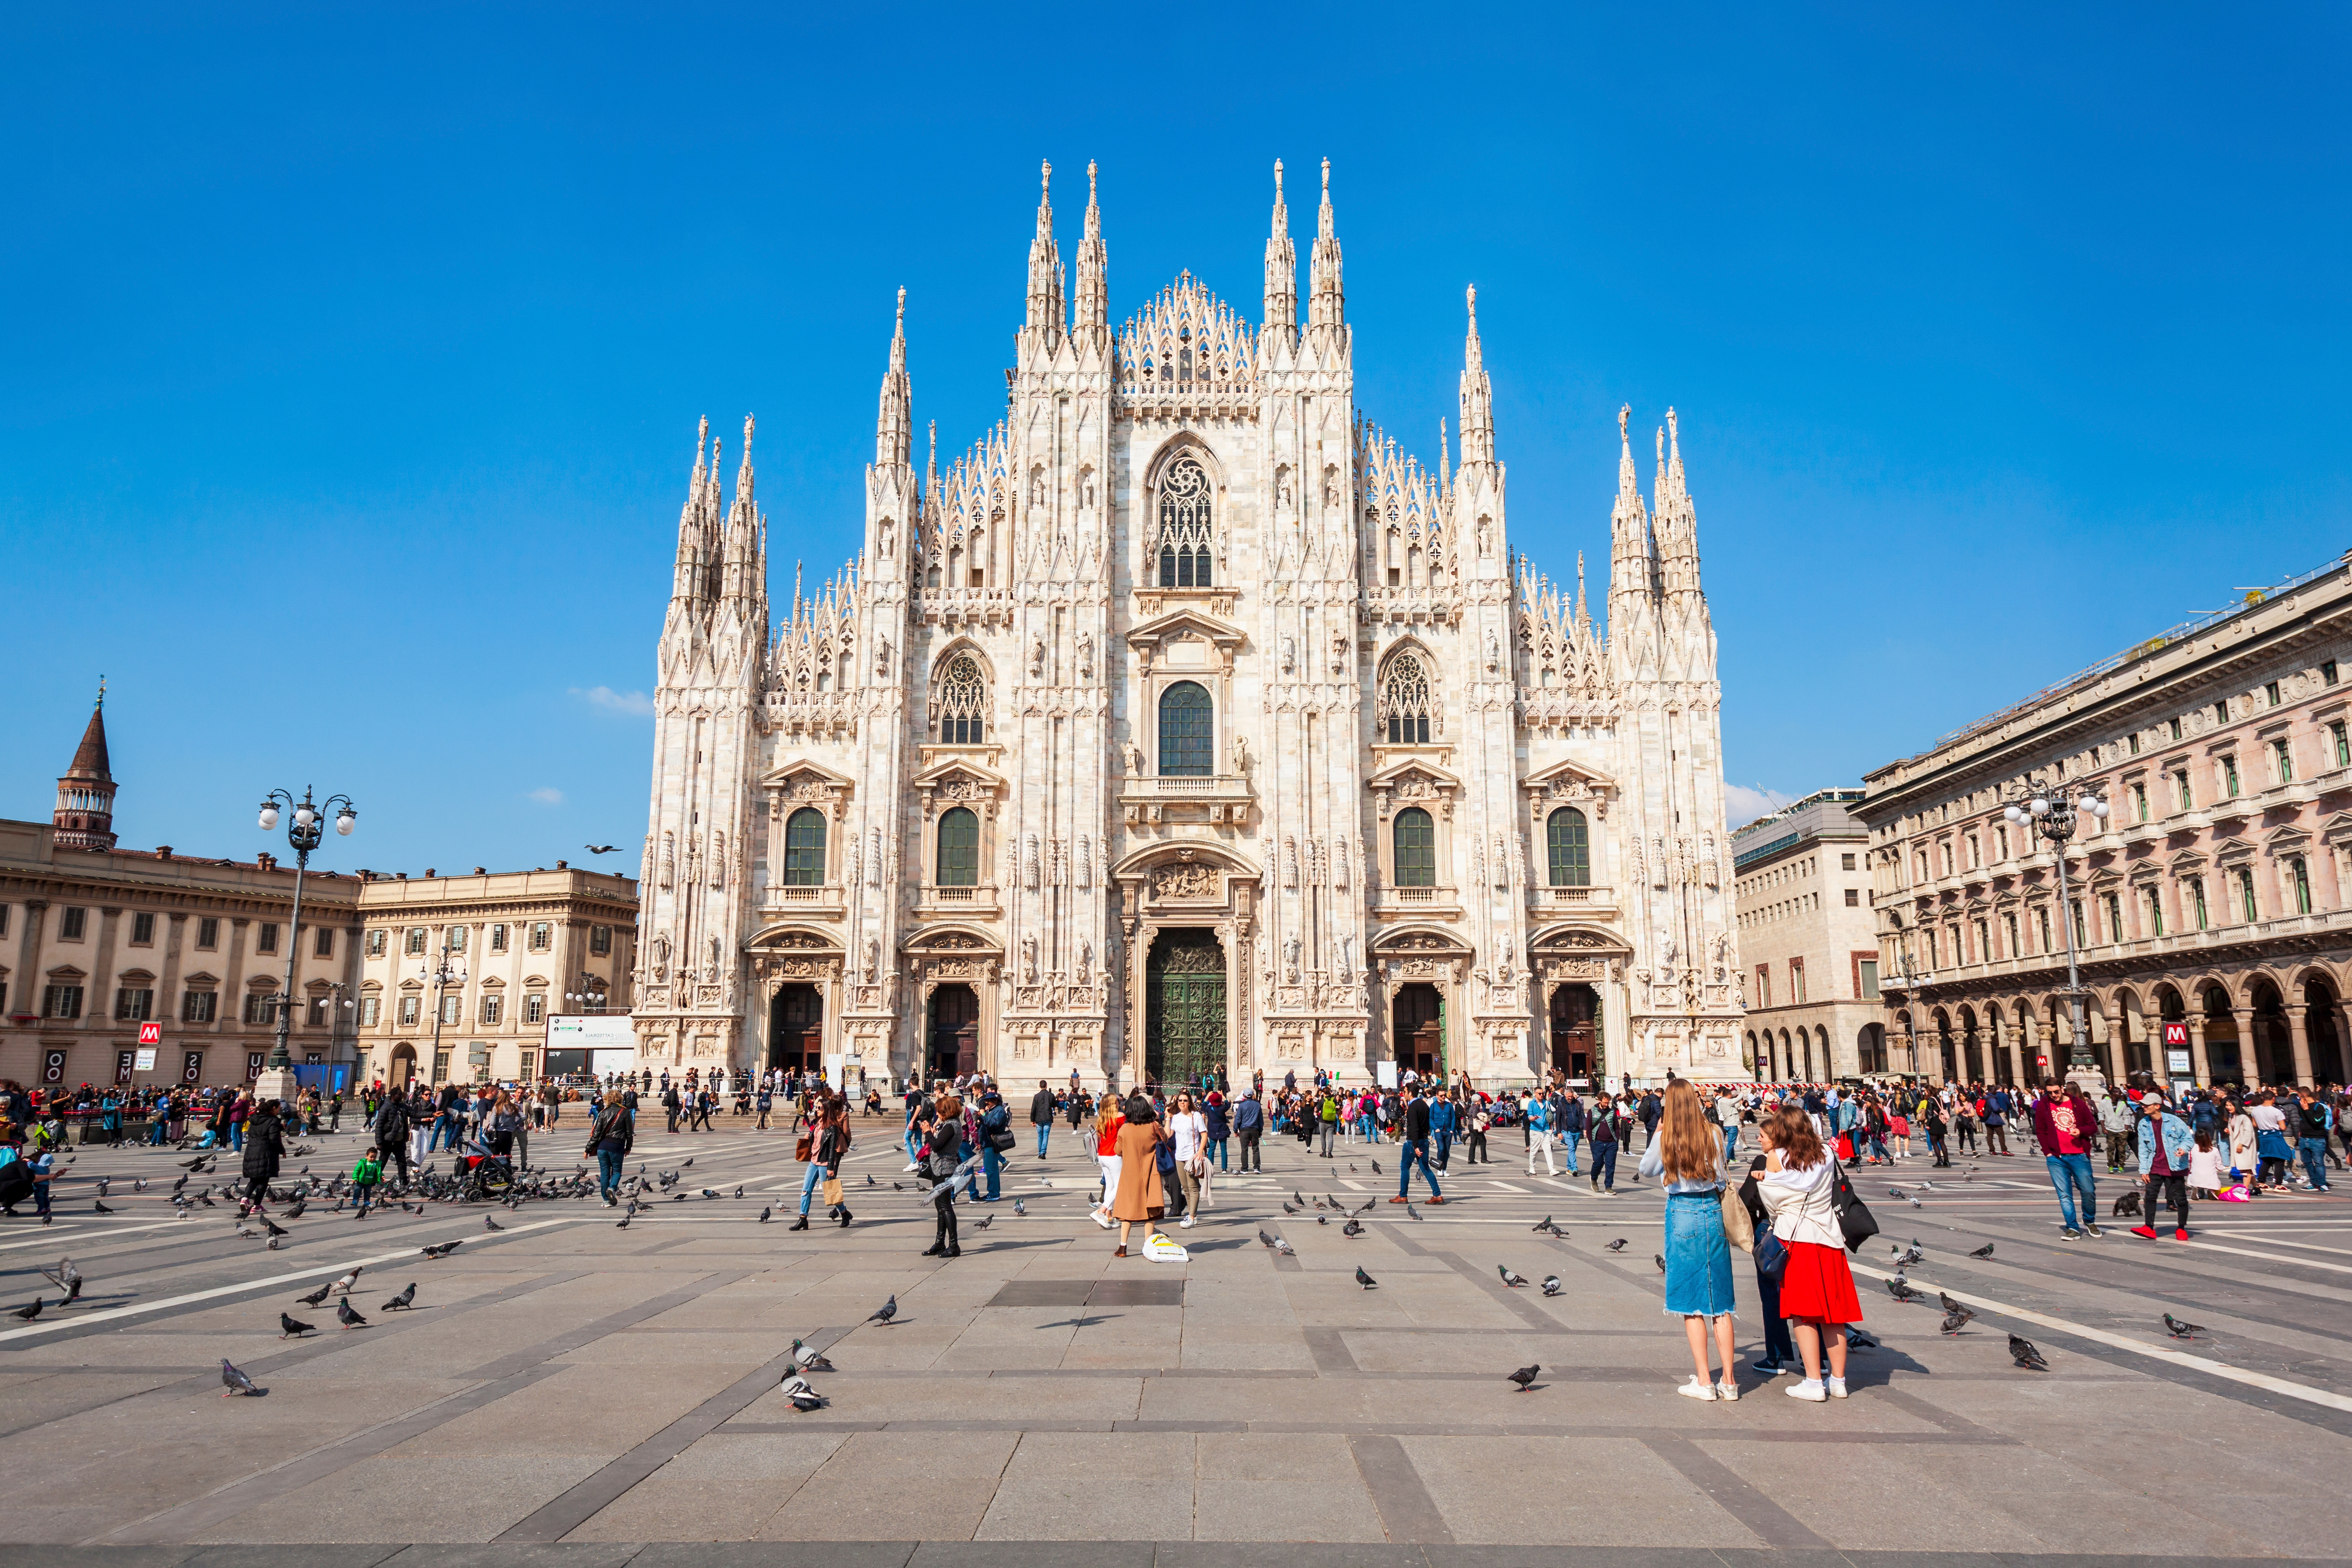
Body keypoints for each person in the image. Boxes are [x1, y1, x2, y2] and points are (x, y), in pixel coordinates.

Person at [1756, 1103, 1862, 1402]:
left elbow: (1774, 1205)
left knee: (1803, 1314)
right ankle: (1839, 1381)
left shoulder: (1776, 1157)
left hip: (1796, 1240)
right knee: (1833, 1315)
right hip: (1828, 1238)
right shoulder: (1828, 1153)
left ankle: (1814, 1382)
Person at [1644, 1081, 1740, 1401]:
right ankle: (1729, 1381)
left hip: (1682, 1212)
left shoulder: (1666, 1136)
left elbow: (1646, 1169)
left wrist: (1658, 1135)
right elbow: (1723, 1175)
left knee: (1692, 1302)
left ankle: (1704, 1381)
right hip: (1712, 1209)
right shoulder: (1714, 1132)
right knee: (1720, 1301)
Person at [1735, 1135, 1798, 1377]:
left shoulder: (1765, 1160)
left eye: (1763, 1135)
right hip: (1808, 1232)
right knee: (1806, 1294)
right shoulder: (1814, 1158)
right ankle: (1820, 1357)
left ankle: (1776, 1356)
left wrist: (1750, 1237)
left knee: (1772, 1295)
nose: (1759, 1139)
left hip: (1772, 1232)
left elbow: (1747, 1200)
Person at [2032, 1080, 2104, 1239]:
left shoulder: (2078, 1104)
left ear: (2062, 1089)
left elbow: (2093, 1127)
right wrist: (2047, 1152)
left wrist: (2080, 1131)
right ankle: (2072, 1227)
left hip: (2079, 1155)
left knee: (2088, 1191)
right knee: (2064, 1195)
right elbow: (2041, 1131)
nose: (2054, 1095)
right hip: (2056, 1158)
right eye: (2050, 1093)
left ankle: (2089, 1221)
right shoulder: (2043, 1105)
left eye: (2056, 1092)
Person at [2130, 1090, 2196, 1240]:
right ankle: (2148, 1227)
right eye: (2143, 1105)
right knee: (2150, 1196)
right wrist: (2144, 1169)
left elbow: (2188, 1139)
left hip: (2175, 1166)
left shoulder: (2174, 1121)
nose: (2144, 1107)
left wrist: (2183, 1149)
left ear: (2157, 1106)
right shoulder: (2144, 1124)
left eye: (2147, 1105)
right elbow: (2143, 1148)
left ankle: (2181, 1228)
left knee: (2180, 1199)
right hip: (2155, 1166)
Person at [1109, 1096, 1169, 1258]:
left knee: (1128, 1211)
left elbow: (1118, 1151)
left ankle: (1123, 1247)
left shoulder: (1125, 1129)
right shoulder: (1154, 1126)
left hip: (1130, 1174)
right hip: (1151, 1172)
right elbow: (1166, 1139)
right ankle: (1147, 1245)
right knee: (1151, 1211)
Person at [922, 1094, 966, 1259]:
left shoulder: (950, 1126)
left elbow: (937, 1146)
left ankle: (954, 1245)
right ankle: (940, 1243)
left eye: (939, 1112)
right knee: (940, 1207)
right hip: (941, 1169)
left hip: (944, 1170)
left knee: (946, 1207)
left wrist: (928, 1133)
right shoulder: (951, 1125)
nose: (937, 1115)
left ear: (946, 1111)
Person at [1390, 1084, 1447, 1205]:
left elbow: (1415, 1128)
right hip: (1424, 1140)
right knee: (1425, 1168)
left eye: (1405, 1092)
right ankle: (1438, 1195)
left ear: (1410, 1093)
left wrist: (1415, 1146)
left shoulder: (1413, 1107)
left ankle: (1403, 1196)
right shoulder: (1424, 1105)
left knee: (1405, 1167)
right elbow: (1427, 1124)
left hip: (1413, 1142)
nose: (1404, 1094)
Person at [1169, 1089, 1208, 1227]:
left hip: (1192, 1156)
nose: (1182, 1103)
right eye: (1180, 1101)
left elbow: (1204, 1135)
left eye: (1185, 1101)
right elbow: (1168, 1135)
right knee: (1185, 1188)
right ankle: (1193, 1215)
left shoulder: (1196, 1116)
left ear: (1189, 1102)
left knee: (1193, 1187)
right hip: (1179, 1156)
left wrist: (1200, 1152)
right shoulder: (1176, 1118)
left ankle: (1191, 1216)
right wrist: (1168, 1118)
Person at [588, 1090, 633, 1204]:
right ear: (620, 1099)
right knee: (617, 1171)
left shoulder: (603, 1112)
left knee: (604, 1173)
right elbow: (629, 1132)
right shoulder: (625, 1112)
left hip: (603, 1147)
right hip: (617, 1146)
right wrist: (629, 1147)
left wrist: (587, 1149)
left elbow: (596, 1133)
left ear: (607, 1099)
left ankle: (606, 1201)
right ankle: (612, 1188)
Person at [240, 1100, 285, 1214]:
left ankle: (245, 1199)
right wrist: (282, 1150)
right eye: (279, 1108)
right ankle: (257, 1206)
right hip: (266, 1153)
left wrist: (279, 1128)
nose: (279, 1111)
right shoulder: (273, 1120)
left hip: (252, 1151)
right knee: (264, 1180)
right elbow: (273, 1139)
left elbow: (261, 1132)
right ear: (273, 1108)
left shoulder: (254, 1119)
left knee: (254, 1179)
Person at [1090, 1093, 1127, 1228]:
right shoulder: (1120, 1117)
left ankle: (1109, 1217)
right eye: (1117, 1101)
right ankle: (1101, 1211)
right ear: (1113, 1104)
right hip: (1114, 1155)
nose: (1119, 1102)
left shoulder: (1102, 1119)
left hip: (1103, 1155)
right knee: (1120, 1186)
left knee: (1110, 1186)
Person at [2293, 1088, 2334, 1192]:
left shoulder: (2319, 1107)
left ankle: (2322, 1184)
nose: (2298, 1099)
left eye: (2299, 1096)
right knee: (2307, 1162)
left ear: (2304, 1096)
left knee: (2319, 1162)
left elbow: (2315, 1122)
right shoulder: (2300, 1107)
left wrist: (2307, 1109)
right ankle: (2314, 1182)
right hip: (2304, 1138)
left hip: (2317, 1139)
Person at [1588, 1092, 1620, 1194]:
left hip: (1611, 1143)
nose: (1607, 1104)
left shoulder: (1612, 1112)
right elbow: (1588, 1127)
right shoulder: (1592, 1111)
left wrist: (1617, 1139)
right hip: (1597, 1142)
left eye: (1608, 1103)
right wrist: (1591, 1141)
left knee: (1610, 1165)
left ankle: (1609, 1187)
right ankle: (1594, 1178)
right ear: (1600, 1101)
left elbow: (1616, 1126)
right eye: (1605, 1103)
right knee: (1598, 1163)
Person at [1525, 1089, 1557, 1176]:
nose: (1542, 1095)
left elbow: (1553, 1111)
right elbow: (1530, 1115)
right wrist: (1533, 1118)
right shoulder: (1532, 1103)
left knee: (1548, 1150)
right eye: (1540, 1093)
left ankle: (1552, 1169)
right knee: (1534, 1150)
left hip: (1546, 1130)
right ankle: (1532, 1169)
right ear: (1535, 1094)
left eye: (1543, 1093)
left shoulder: (1546, 1103)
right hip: (1535, 1130)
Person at [1234, 1088, 1264, 1172]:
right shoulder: (1257, 1105)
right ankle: (1257, 1168)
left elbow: (1238, 1118)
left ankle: (1244, 1169)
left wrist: (1236, 1130)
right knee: (1256, 1149)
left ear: (1244, 1096)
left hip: (1244, 1130)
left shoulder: (1242, 1105)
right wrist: (1261, 1130)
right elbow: (1260, 1119)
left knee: (1244, 1150)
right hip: (1255, 1129)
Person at [1029, 1080, 1057, 1160]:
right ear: (1046, 1086)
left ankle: (1040, 1152)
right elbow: (1054, 1105)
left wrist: (1032, 1120)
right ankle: (1043, 1153)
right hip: (1048, 1117)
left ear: (1040, 1086)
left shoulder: (1037, 1096)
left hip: (1039, 1118)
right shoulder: (1051, 1095)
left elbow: (1033, 1108)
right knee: (1046, 1135)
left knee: (1040, 1135)